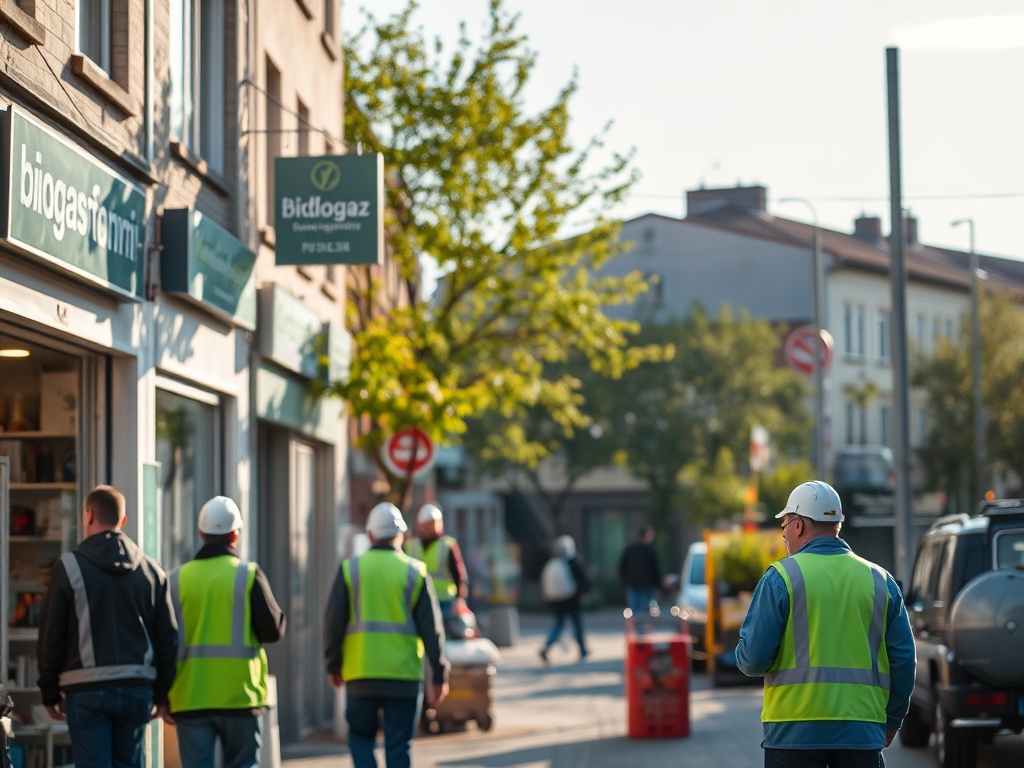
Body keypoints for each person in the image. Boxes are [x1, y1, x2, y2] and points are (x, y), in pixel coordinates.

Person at [734, 480, 916, 768]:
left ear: (798, 526)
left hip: (793, 733)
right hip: (862, 732)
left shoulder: (781, 577)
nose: (785, 538)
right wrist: (892, 720)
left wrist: (740, 651)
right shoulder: (881, 581)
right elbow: (904, 660)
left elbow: (753, 660)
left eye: (784, 529)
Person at [37, 484, 178, 768]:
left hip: (86, 692)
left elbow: (51, 636)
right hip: (137, 687)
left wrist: (49, 692)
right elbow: (168, 639)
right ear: (123, 521)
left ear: (88, 516)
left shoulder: (68, 567)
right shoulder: (151, 570)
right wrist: (164, 694)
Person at [324, 502, 449, 768]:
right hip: (403, 675)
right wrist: (439, 674)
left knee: (360, 738)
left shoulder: (350, 570)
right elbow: (432, 629)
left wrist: (333, 664)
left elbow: (333, 623)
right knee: (398, 745)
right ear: (401, 535)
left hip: (360, 673)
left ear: (369, 535)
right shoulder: (415, 572)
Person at [167, 495, 287, 768]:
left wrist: (163, 695)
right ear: (235, 535)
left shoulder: (176, 579)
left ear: (201, 533)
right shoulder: (248, 574)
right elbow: (273, 631)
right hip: (240, 696)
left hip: (190, 696)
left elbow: (164, 641)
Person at [405, 503, 468, 621]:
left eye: (433, 523)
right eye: (427, 524)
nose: (430, 527)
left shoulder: (448, 545)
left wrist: (460, 598)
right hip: (418, 600)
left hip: (444, 602)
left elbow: (458, 573)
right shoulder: (410, 546)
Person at [538, 534, 590, 664]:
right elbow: (583, 579)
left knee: (559, 625)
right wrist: (584, 592)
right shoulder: (574, 561)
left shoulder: (552, 563)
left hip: (556, 600)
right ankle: (582, 649)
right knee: (577, 624)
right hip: (572, 599)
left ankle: (547, 647)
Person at [618, 524, 664, 617]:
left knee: (635, 609)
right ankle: (645, 627)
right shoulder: (650, 550)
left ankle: (637, 628)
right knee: (649, 609)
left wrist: (625, 581)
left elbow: (622, 567)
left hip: (634, 583)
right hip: (647, 585)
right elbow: (655, 568)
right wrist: (659, 582)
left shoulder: (630, 549)